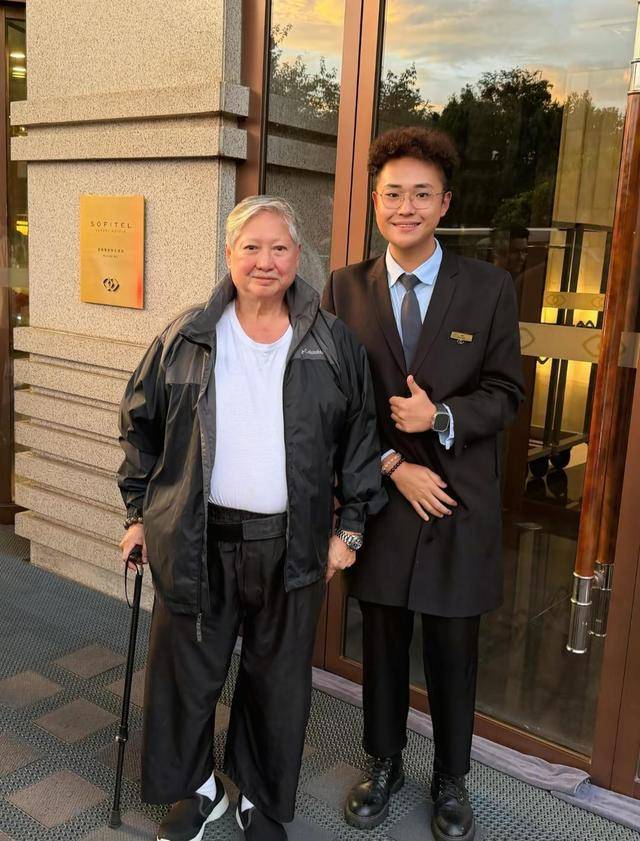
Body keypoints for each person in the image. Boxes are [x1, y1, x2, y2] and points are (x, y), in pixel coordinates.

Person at [118, 195, 386, 841]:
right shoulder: (185, 336)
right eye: (251, 247)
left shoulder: (331, 342)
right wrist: (138, 515)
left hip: (291, 545)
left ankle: (260, 799)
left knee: (277, 681)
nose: (265, 261)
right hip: (195, 538)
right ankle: (197, 790)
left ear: (298, 256)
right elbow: (141, 427)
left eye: (279, 248)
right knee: (186, 675)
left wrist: (349, 531)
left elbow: (361, 440)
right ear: (229, 254)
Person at [323, 127, 525, 841]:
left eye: (420, 194)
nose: (404, 207)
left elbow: (507, 392)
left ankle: (451, 777)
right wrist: (391, 464)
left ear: (444, 203)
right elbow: (335, 399)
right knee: (380, 645)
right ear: (375, 202)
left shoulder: (490, 288)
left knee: (451, 651)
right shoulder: (345, 287)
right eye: (392, 194)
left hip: (457, 504)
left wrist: (439, 416)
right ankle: (383, 764)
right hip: (383, 498)